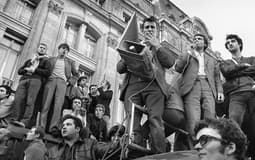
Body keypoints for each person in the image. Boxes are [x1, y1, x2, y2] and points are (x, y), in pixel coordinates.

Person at [117, 16, 175, 153]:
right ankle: (134, 153)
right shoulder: (133, 44)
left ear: (157, 31)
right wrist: (128, 55)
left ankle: (158, 154)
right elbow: (119, 68)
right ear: (143, 30)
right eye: (147, 27)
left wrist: (157, 46)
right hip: (133, 86)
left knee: (155, 120)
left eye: (152, 27)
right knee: (132, 121)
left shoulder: (161, 46)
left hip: (154, 87)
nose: (149, 29)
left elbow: (170, 62)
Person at [220, 34, 255, 160]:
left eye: (233, 41)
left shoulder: (252, 59)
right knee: (234, 127)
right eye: (228, 43)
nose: (230, 44)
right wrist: (243, 66)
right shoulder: (225, 62)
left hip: (254, 93)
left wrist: (235, 72)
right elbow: (226, 72)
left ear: (239, 44)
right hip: (235, 96)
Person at [175, 33, 224, 146]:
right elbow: (178, 68)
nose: (196, 40)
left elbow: (217, 77)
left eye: (199, 39)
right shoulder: (187, 55)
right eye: (195, 39)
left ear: (205, 43)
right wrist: (187, 53)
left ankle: (209, 146)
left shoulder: (211, 59)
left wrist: (220, 91)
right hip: (192, 87)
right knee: (193, 119)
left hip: (208, 86)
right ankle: (195, 148)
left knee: (210, 117)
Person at [41, 43, 79, 133]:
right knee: (46, 104)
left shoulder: (70, 62)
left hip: (62, 83)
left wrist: (70, 82)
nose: (64, 50)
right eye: (63, 48)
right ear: (58, 49)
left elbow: (76, 74)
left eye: (66, 49)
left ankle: (53, 127)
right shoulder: (51, 59)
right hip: (51, 81)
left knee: (58, 106)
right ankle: (41, 126)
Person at [48, 115, 119, 160]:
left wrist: (121, 144)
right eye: (63, 125)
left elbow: (108, 149)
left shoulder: (91, 144)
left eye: (68, 124)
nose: (64, 127)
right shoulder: (53, 151)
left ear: (77, 129)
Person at [14, 43, 51, 128]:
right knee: (18, 99)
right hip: (24, 79)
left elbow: (47, 73)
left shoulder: (46, 61)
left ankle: (25, 121)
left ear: (45, 51)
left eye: (44, 48)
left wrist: (34, 70)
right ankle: (15, 119)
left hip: (36, 80)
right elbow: (19, 71)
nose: (42, 49)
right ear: (37, 48)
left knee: (30, 101)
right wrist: (27, 68)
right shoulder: (29, 61)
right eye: (40, 47)